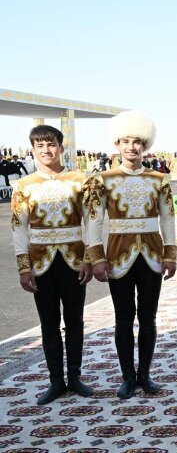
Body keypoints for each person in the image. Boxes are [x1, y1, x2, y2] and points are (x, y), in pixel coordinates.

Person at [85, 111, 177, 399]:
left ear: (145, 145)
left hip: (152, 255)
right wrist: (97, 258)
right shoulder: (102, 179)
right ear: (117, 144)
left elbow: (168, 219)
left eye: (137, 141)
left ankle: (145, 375)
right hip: (117, 256)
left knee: (148, 318)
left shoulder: (159, 179)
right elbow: (94, 221)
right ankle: (127, 377)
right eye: (125, 141)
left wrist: (170, 254)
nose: (131, 147)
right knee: (123, 319)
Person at [11, 125, 94, 405]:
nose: (46, 151)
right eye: (40, 146)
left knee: (75, 321)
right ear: (33, 150)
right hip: (40, 263)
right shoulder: (24, 185)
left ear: (61, 148)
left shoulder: (80, 180)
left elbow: (92, 221)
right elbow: (18, 227)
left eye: (51, 145)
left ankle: (75, 378)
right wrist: (24, 266)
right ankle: (56, 381)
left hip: (74, 261)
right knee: (49, 323)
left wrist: (89, 258)